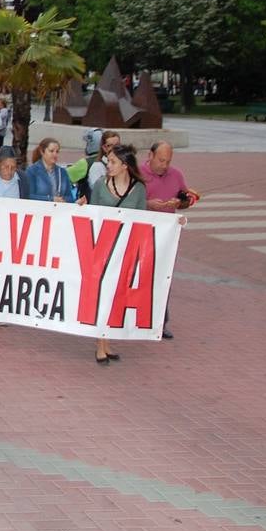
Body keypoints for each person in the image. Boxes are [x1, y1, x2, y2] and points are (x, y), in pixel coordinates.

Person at [86, 145, 147, 365]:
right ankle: (100, 343)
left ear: (125, 166)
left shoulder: (138, 189)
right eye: (108, 161)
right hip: (103, 248)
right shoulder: (100, 185)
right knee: (103, 294)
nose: (108, 165)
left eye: (113, 162)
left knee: (116, 295)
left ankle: (106, 340)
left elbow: (144, 219)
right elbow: (92, 215)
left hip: (125, 249)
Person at [138, 141, 190, 339]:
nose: (164, 165)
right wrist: (148, 204)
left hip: (166, 237)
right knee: (140, 276)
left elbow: (186, 198)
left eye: (168, 161)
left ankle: (160, 321)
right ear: (150, 155)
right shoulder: (138, 174)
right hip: (142, 234)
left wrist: (180, 202)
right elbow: (129, 203)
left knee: (163, 277)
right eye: (161, 160)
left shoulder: (176, 175)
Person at [26, 138, 77, 204]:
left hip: (59, 209)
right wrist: (51, 199)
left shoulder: (62, 172)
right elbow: (29, 196)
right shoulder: (32, 171)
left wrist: (76, 202)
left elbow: (69, 197)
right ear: (42, 152)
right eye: (51, 151)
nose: (55, 154)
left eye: (57, 152)